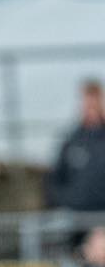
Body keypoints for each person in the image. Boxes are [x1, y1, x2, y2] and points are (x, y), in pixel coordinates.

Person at [44, 79, 105, 215]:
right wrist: (66, 202)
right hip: (76, 217)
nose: (91, 107)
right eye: (88, 102)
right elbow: (54, 179)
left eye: (95, 102)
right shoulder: (71, 140)